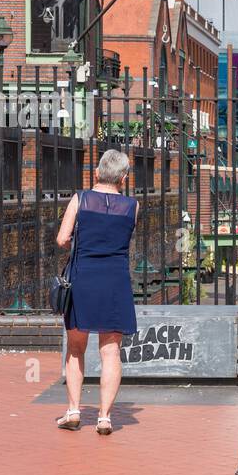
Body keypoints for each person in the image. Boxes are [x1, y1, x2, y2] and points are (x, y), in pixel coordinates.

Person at [56, 150, 138, 436]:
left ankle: (74, 411)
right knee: (111, 351)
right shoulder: (132, 206)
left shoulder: (81, 199)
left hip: (84, 277)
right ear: (124, 179)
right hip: (115, 280)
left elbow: (62, 238)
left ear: (96, 173)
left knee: (76, 347)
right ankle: (104, 417)